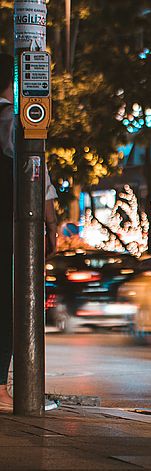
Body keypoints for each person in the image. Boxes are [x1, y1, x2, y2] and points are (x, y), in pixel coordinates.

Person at [1, 52, 59, 410]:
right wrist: (51, 225)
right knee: (8, 305)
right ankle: (0, 390)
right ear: (13, 80)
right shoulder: (12, 122)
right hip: (6, 229)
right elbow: (38, 174)